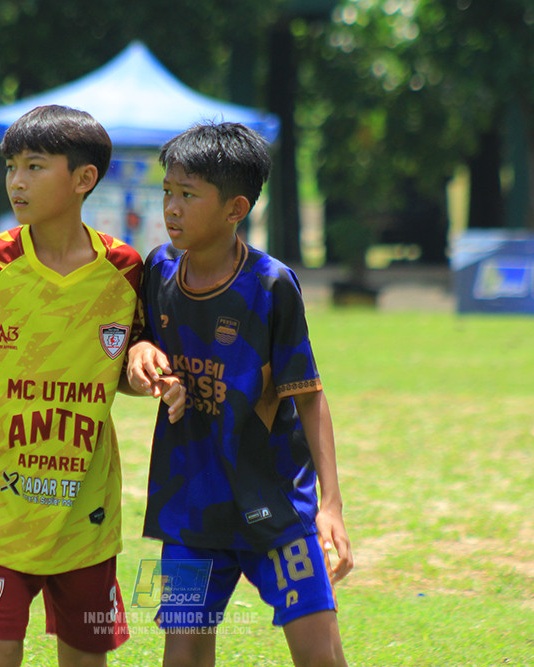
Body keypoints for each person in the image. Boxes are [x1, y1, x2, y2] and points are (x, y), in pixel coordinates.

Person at [0, 105, 142, 667]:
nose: (17, 180)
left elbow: (131, 364)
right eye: (12, 165)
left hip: (84, 512)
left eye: (35, 166)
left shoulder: (126, 270)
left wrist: (143, 363)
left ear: (84, 178)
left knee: (88, 653)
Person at [126, 122, 354, 667]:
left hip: (274, 503)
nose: (171, 208)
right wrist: (142, 358)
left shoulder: (271, 285)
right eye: (167, 192)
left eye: (188, 195)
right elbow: (139, 342)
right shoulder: (157, 270)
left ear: (235, 208)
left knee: (318, 651)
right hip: (189, 508)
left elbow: (309, 394)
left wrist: (331, 503)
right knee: (181, 656)